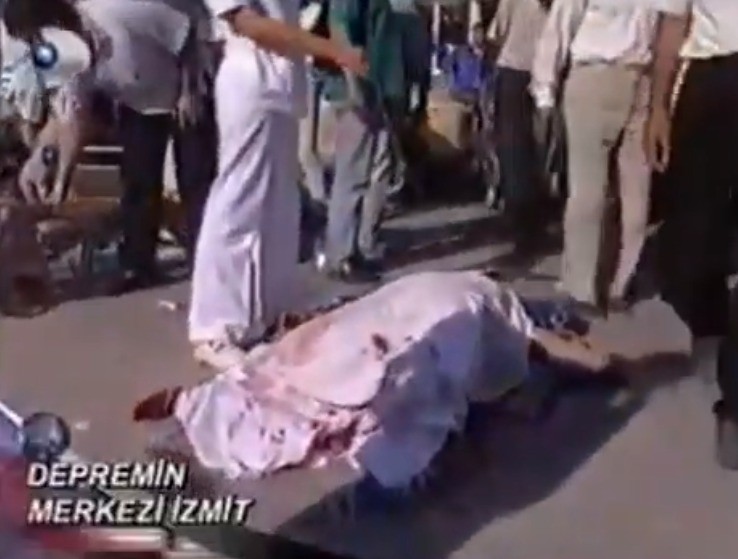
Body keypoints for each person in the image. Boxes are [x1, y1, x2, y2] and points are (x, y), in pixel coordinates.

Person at [136, 270, 613, 491]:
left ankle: (201, 420)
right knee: (321, 378)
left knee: (295, 373)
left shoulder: (479, 305)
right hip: (428, 317)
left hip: (408, 310)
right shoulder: (494, 313)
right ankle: (204, 421)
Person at [187, 0, 366, 369]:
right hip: (251, 84)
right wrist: (333, 50)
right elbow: (251, 25)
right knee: (239, 205)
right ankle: (214, 327)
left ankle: (268, 314)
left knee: (279, 209)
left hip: (282, 87)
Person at [3, 0, 208, 294]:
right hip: (138, 101)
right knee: (137, 182)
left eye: (35, 36)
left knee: (195, 181)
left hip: (185, 87)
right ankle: (138, 265)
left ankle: (205, 263)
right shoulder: (67, 57)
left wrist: (190, 88)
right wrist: (53, 171)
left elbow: (185, 33)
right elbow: (72, 117)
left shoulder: (115, 12)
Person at [644, 0, 738, 470]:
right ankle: (711, 330)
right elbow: (674, 22)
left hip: (714, 83)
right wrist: (659, 108)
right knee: (695, 232)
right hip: (712, 83)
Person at [532, 0, 660, 317]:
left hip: (643, 78)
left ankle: (619, 284)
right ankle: (582, 288)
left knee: (637, 196)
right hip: (593, 75)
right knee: (589, 193)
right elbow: (559, 28)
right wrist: (544, 92)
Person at [320, 0, 407, 282]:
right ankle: (340, 256)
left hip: (373, 90)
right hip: (357, 92)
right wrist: (355, 88)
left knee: (369, 170)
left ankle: (353, 250)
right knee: (352, 174)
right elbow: (340, 30)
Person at [486, 0, 549, 253]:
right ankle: (536, 215)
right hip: (550, 74)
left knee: (514, 150)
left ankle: (521, 221)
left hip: (514, 71)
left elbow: (496, 34)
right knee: (544, 148)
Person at [443, 22, 491, 105]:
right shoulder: (461, 51)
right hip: (460, 91)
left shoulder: (488, 56)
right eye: (476, 33)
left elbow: (490, 76)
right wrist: (452, 74)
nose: (478, 36)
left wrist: (482, 59)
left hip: (479, 94)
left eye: (481, 34)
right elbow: (445, 64)